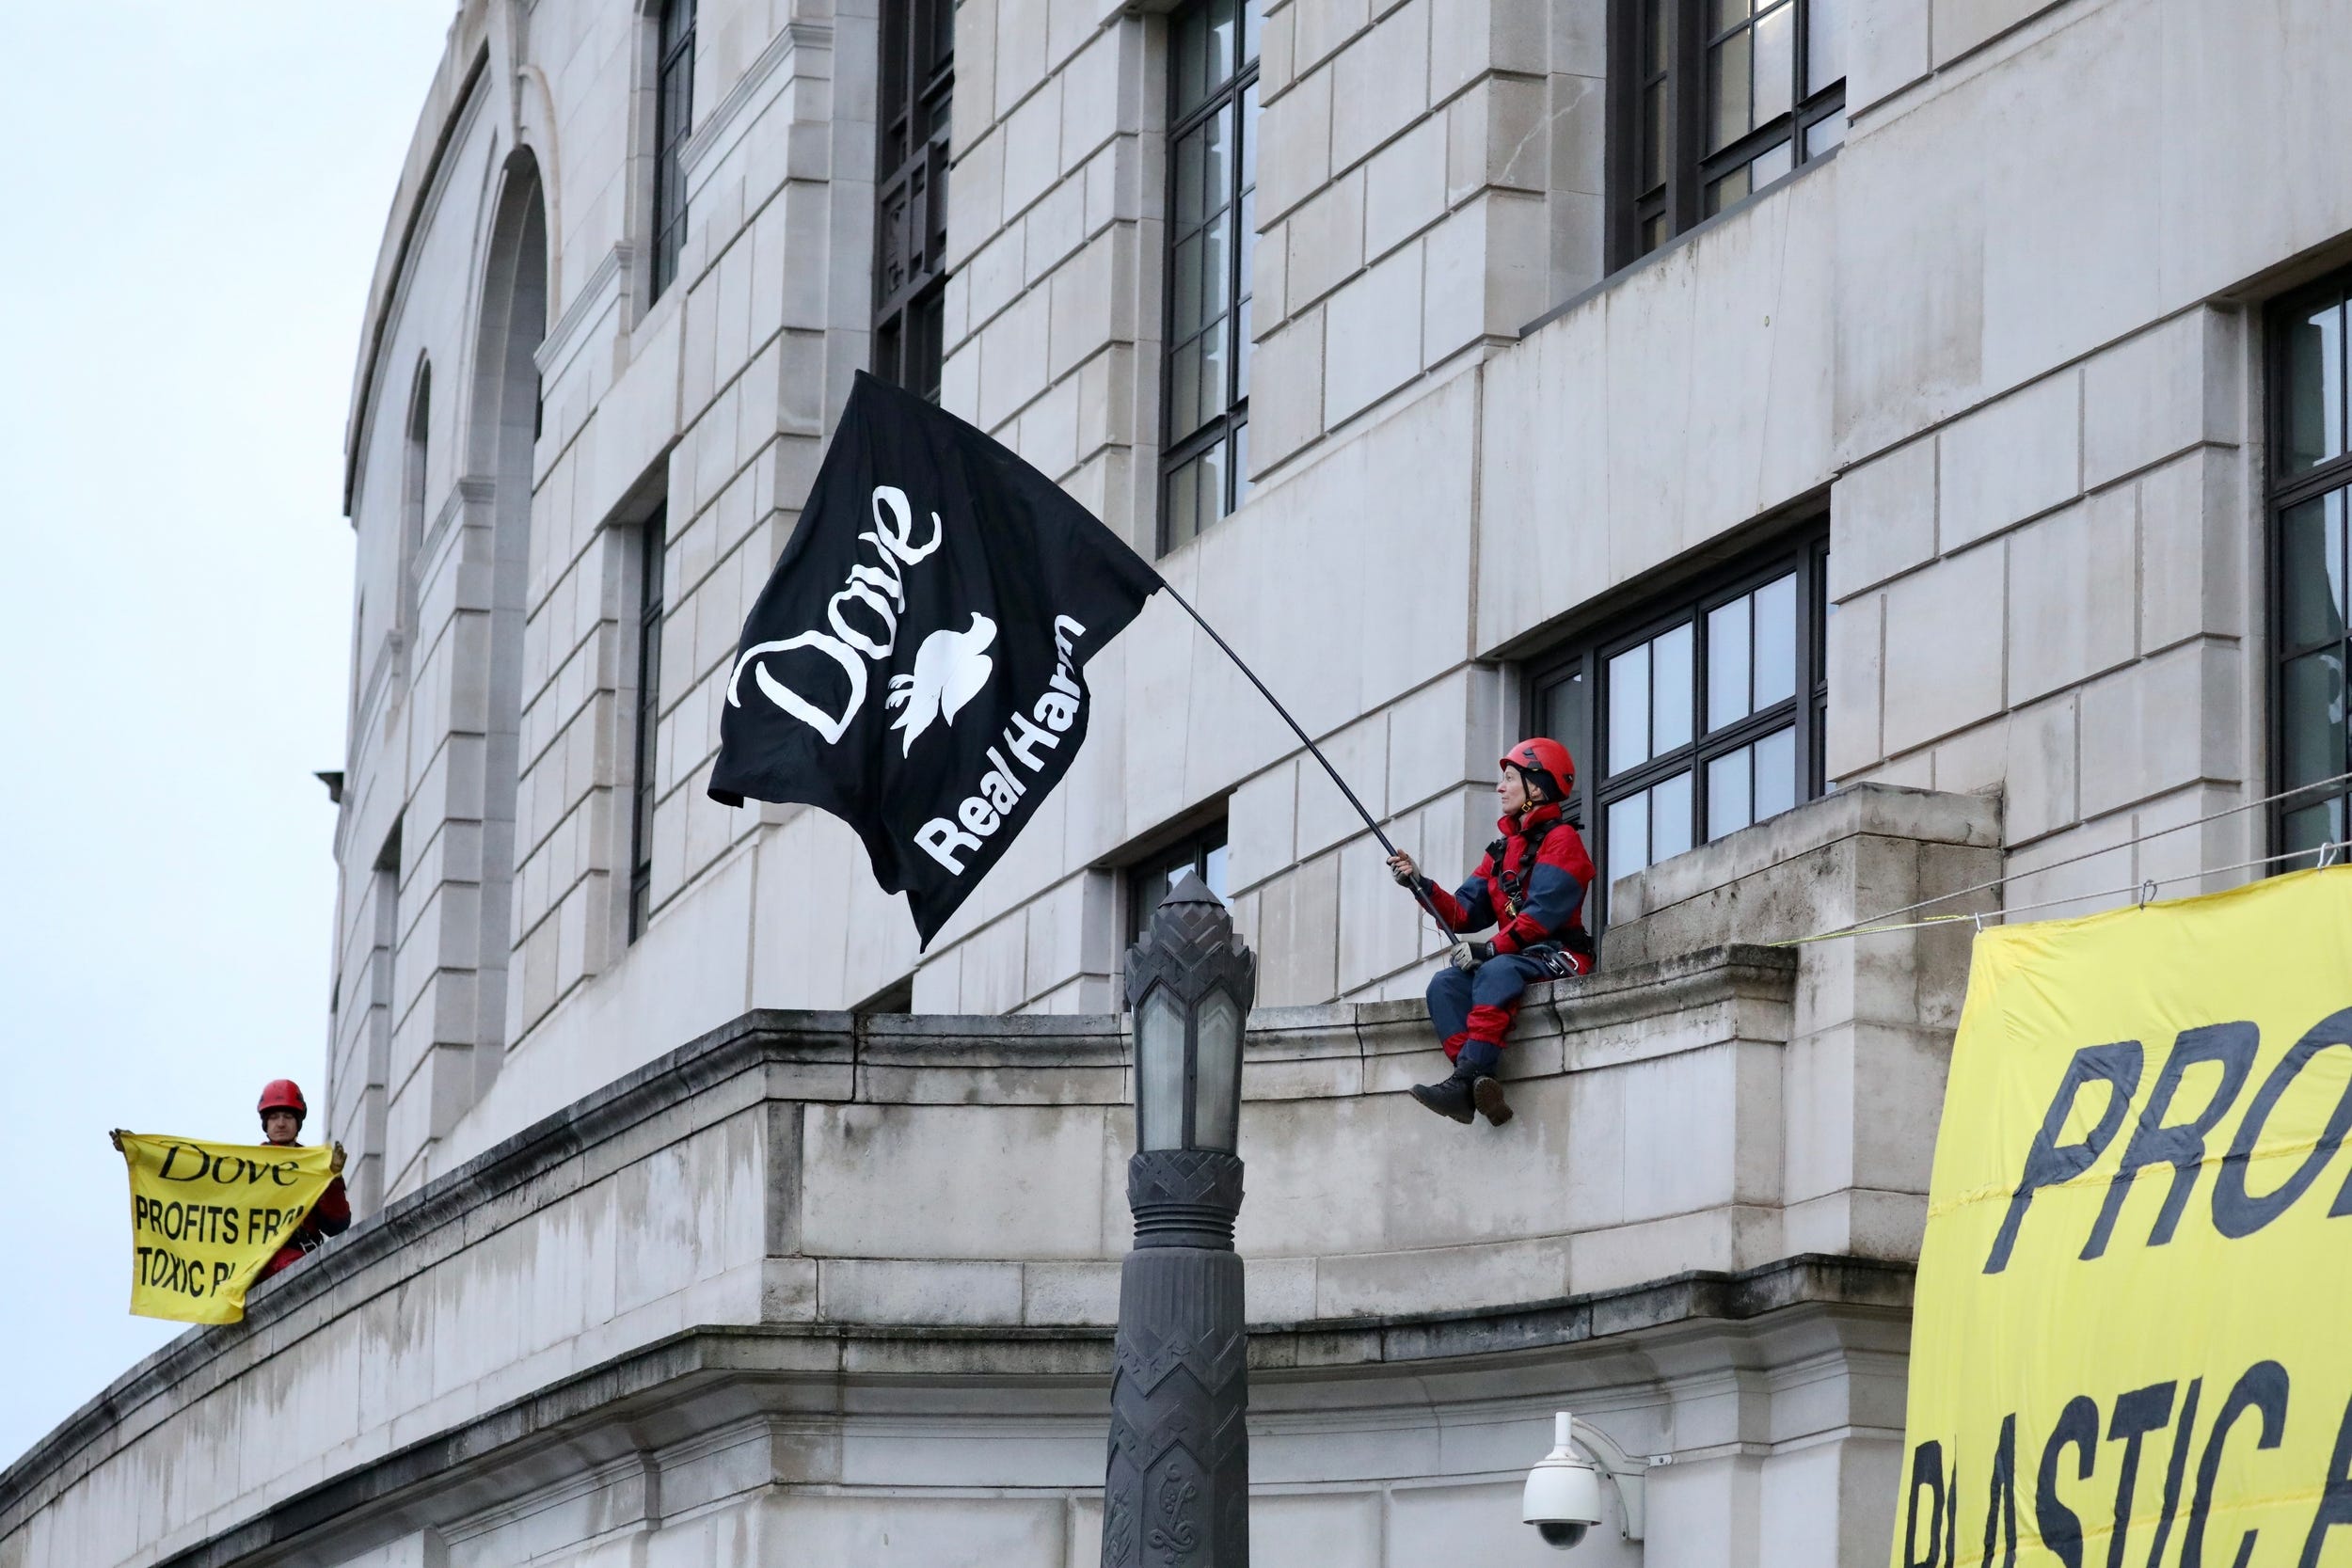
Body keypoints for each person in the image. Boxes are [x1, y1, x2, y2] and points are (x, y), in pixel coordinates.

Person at [1385, 738, 1596, 1127]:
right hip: (1514, 957)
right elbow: (1463, 913)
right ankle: (1478, 1082)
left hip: (1558, 955)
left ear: (1537, 787)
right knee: (1445, 986)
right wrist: (1420, 883)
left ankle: (1465, 1082)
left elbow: (1542, 915)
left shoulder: (1562, 841)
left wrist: (1490, 951)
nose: (1500, 787)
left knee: (1496, 972)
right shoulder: (1501, 851)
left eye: (1510, 778)